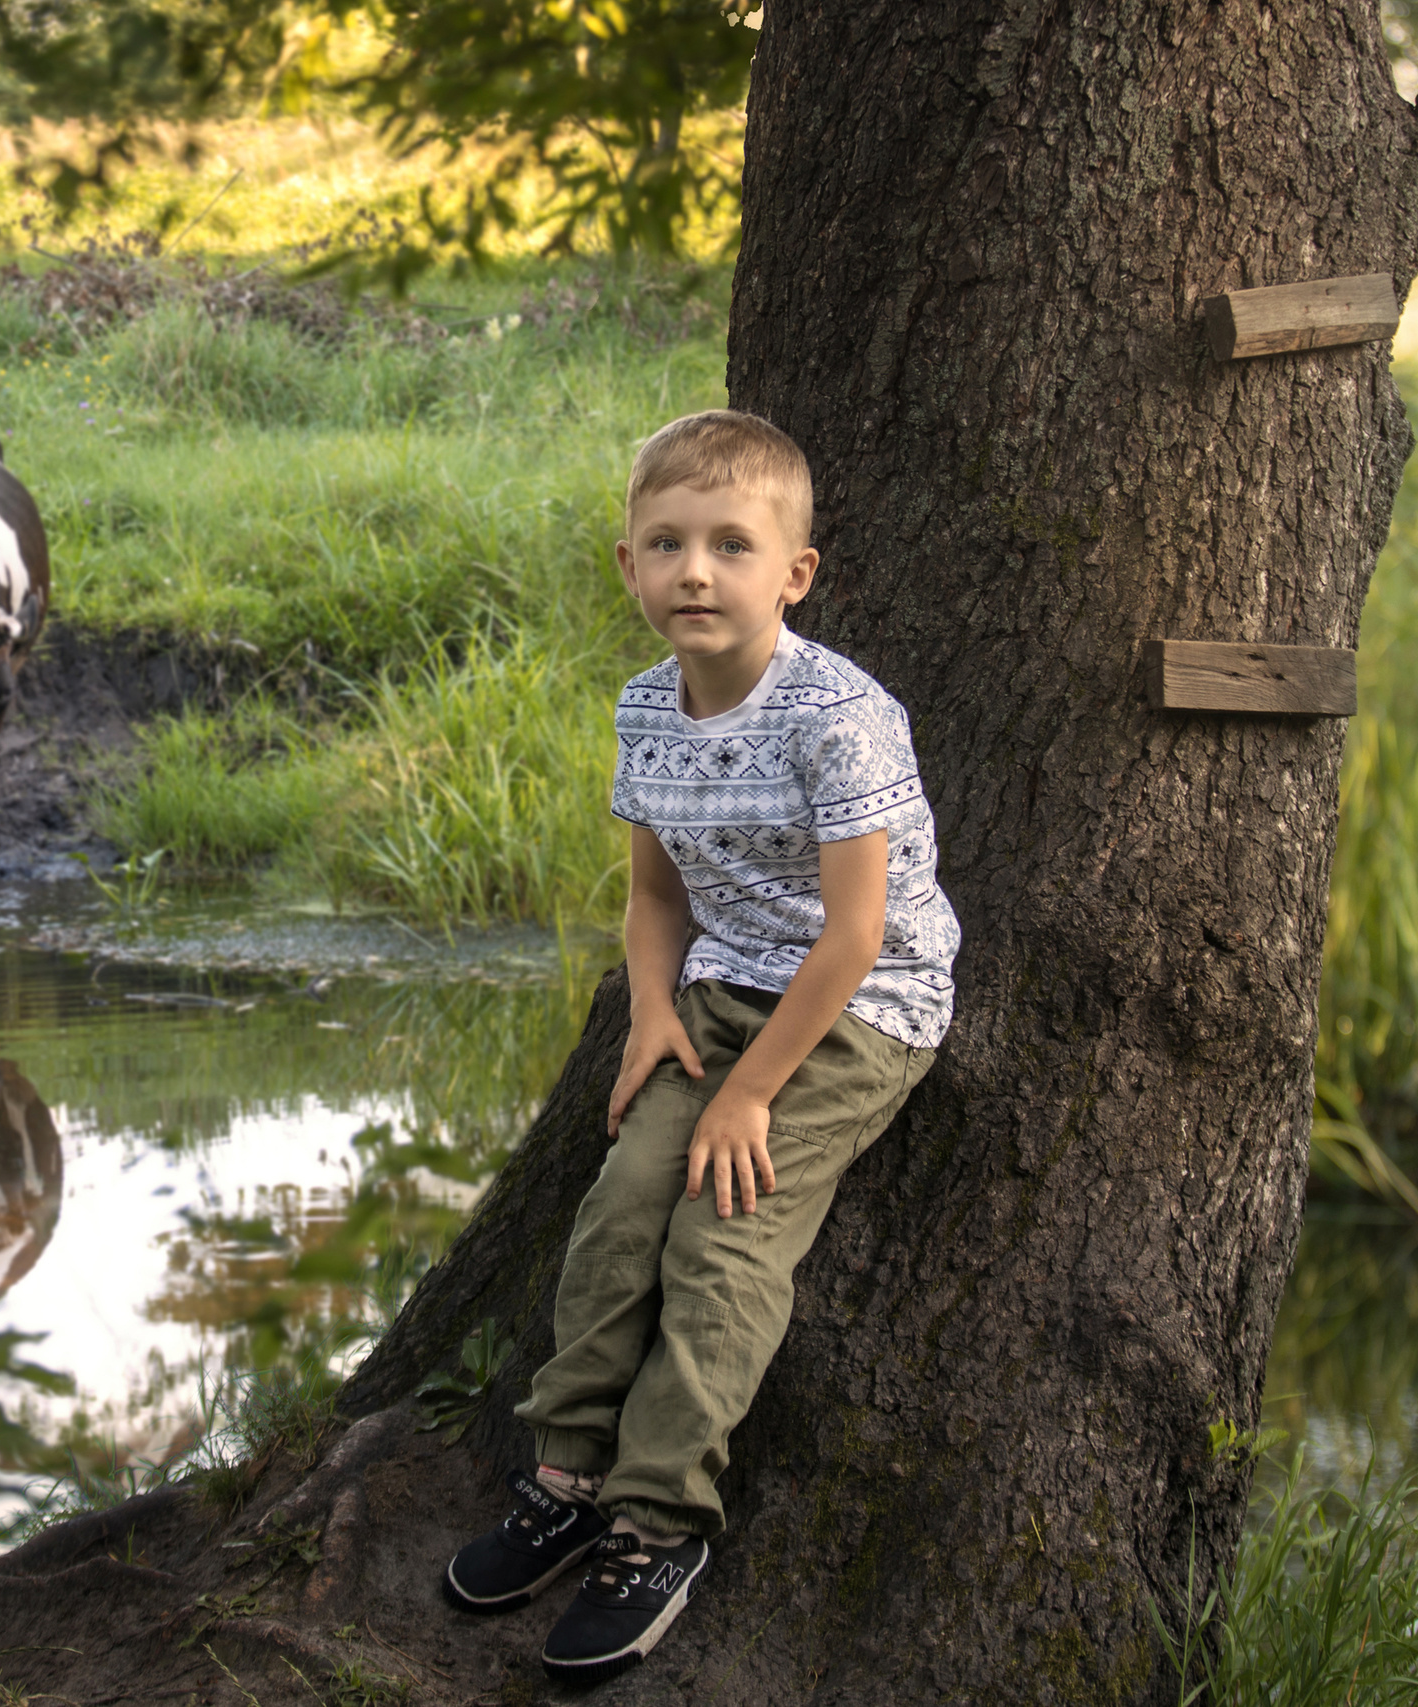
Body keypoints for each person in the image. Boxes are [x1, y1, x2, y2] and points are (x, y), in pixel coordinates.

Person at [441, 410, 960, 1683]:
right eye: (665, 544)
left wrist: (750, 1098)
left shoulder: (839, 718)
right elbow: (658, 898)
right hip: (718, 991)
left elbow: (852, 937)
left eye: (731, 546)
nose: (694, 571)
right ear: (626, 564)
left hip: (855, 1008)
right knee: (621, 1207)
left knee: (722, 1237)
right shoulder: (645, 711)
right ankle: (565, 1471)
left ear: (793, 573)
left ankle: (658, 1519)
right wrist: (653, 1012)